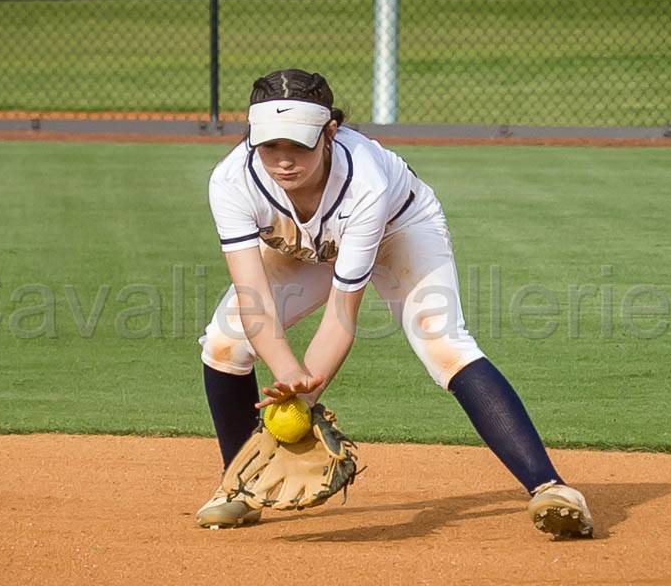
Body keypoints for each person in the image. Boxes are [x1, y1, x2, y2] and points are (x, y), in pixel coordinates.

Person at [195, 69, 593, 538]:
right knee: (225, 343)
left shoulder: (363, 180)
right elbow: (254, 299)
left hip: (399, 230)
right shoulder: (232, 180)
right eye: (269, 145)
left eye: (299, 145)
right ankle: (241, 486)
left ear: (330, 132)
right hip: (304, 244)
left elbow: (343, 314)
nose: (283, 161)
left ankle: (550, 488)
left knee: (443, 342)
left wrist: (302, 398)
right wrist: (287, 373)